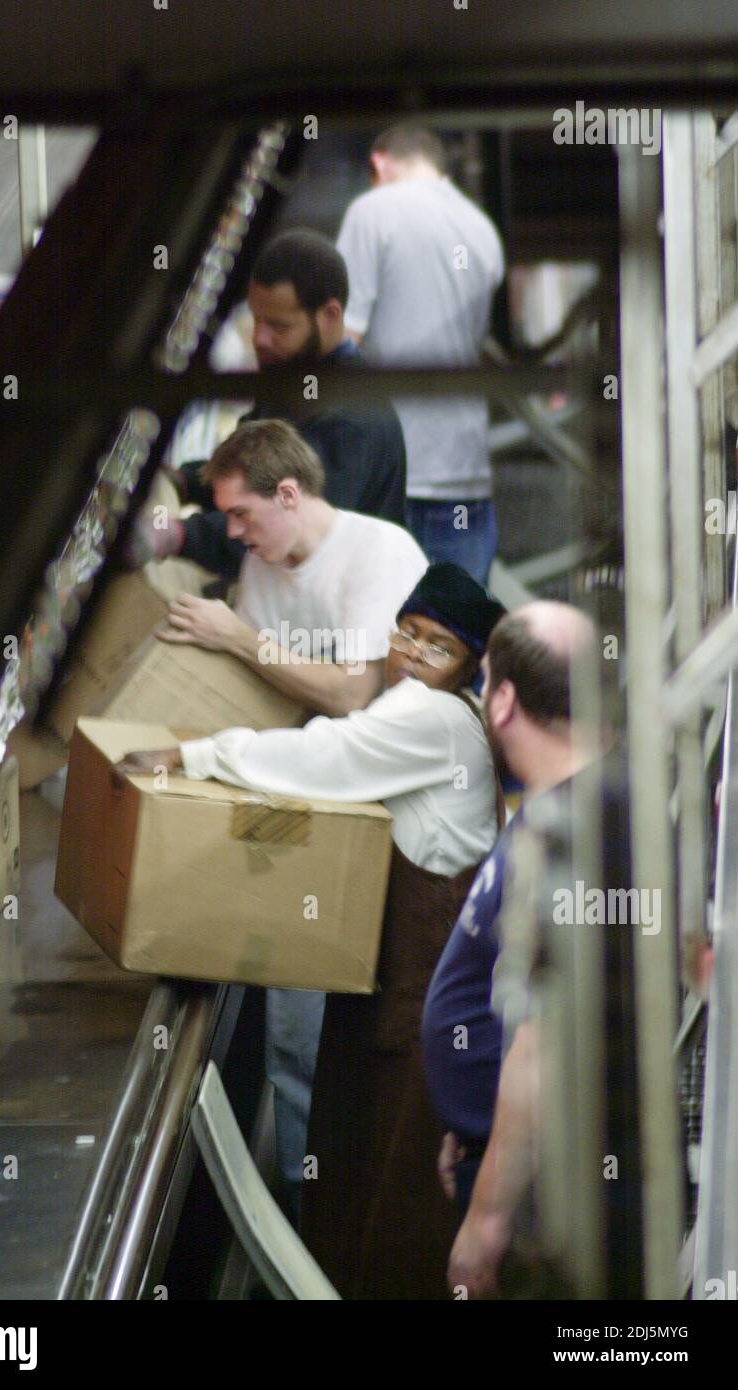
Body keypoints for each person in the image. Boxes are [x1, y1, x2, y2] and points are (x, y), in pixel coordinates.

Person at [117, 563, 506, 1294]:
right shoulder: (441, 715)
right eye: (407, 635)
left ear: (467, 669)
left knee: (394, 1191)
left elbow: (325, 756)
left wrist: (192, 755)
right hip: (396, 995)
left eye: (437, 648)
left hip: (423, 1005)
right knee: (362, 1167)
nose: (412, 657)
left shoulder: (432, 716)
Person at [139, 417, 427, 1205]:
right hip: (303, 816)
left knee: (384, 1041)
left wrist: (238, 638)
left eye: (242, 516)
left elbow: (351, 691)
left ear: (290, 494)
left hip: (391, 827)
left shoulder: (379, 556)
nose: (232, 532)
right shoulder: (260, 566)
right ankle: (307, 1221)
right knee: (293, 1045)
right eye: (224, 517)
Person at [421, 601, 603, 1278]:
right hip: (498, 1146)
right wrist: (473, 1127)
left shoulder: (571, 834)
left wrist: (488, 1215)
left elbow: (544, 1046)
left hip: (539, 1188)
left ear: (501, 701)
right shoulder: (553, 806)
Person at [130, 229, 408, 577]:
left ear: (330, 315)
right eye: (257, 319)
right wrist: (183, 480)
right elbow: (244, 473)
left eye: (278, 325)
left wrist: (176, 535)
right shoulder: (289, 372)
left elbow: (282, 527)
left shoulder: (350, 419)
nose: (260, 338)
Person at [336, 124, 505, 582]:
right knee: (455, 640)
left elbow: (339, 341)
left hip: (389, 475)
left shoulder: (372, 211)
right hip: (465, 475)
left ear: (379, 163)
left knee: (381, 640)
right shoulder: (482, 230)